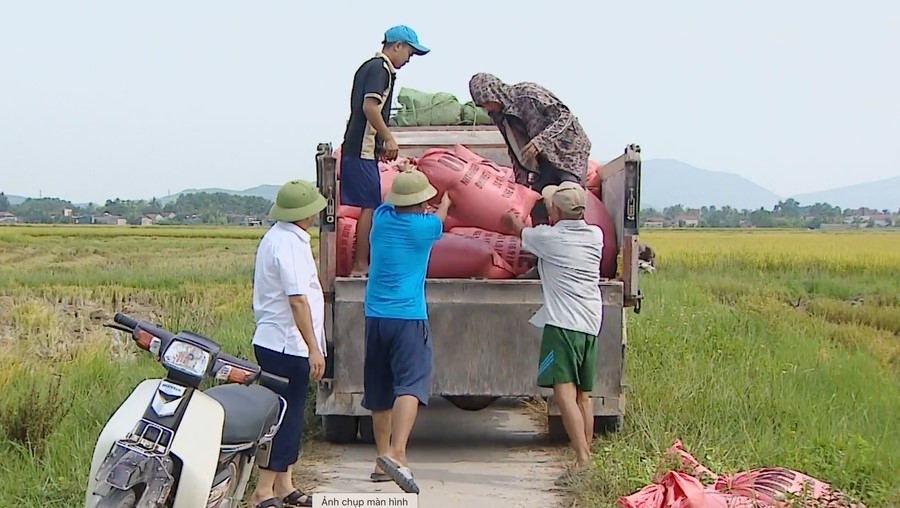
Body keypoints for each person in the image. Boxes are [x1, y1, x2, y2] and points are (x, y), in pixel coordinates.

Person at [500, 181, 603, 487]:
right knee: (584, 396)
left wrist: (511, 219)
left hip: (563, 325)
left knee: (564, 393)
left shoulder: (550, 238)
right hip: (590, 323)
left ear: (555, 211)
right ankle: (587, 458)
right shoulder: (595, 235)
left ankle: (583, 460)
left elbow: (513, 227)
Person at [362, 169, 451, 494]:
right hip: (409, 318)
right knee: (410, 385)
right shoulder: (425, 228)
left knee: (380, 390)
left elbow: (385, 202)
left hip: (375, 316)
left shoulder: (381, 223)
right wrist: (446, 202)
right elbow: (441, 217)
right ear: (423, 201)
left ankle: (380, 458)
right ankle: (398, 453)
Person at [248, 180, 328, 508]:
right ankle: (263, 490)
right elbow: (297, 300)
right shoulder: (290, 245)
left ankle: (285, 485)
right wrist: (313, 347)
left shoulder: (278, 237)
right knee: (286, 416)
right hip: (287, 343)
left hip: (276, 340)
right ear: (306, 214)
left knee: (288, 413)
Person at [339, 25, 431, 276]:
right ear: (397, 45)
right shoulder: (381, 69)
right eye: (409, 53)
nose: (408, 59)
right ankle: (360, 266)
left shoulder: (370, 67)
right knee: (369, 205)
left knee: (369, 204)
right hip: (361, 148)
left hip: (364, 147)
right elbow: (370, 107)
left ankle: (362, 263)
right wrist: (387, 138)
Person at [469, 72, 592, 226]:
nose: (486, 108)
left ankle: (573, 242)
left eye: (486, 102)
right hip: (543, 159)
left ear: (493, 93)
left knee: (568, 198)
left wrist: (540, 142)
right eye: (481, 105)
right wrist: (521, 185)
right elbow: (514, 148)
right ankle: (541, 241)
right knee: (537, 200)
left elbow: (565, 117)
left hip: (569, 152)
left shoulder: (527, 94)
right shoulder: (499, 117)